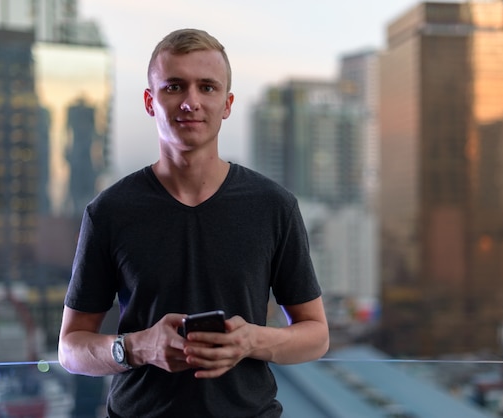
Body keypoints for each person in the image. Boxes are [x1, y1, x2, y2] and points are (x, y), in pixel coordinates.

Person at [58, 28, 329, 418]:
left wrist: (251, 341)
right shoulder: (109, 211)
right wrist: (137, 347)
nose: (191, 102)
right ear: (151, 102)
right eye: (174, 87)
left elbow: (316, 335)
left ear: (227, 103)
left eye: (207, 87)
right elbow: (70, 349)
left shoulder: (273, 206)